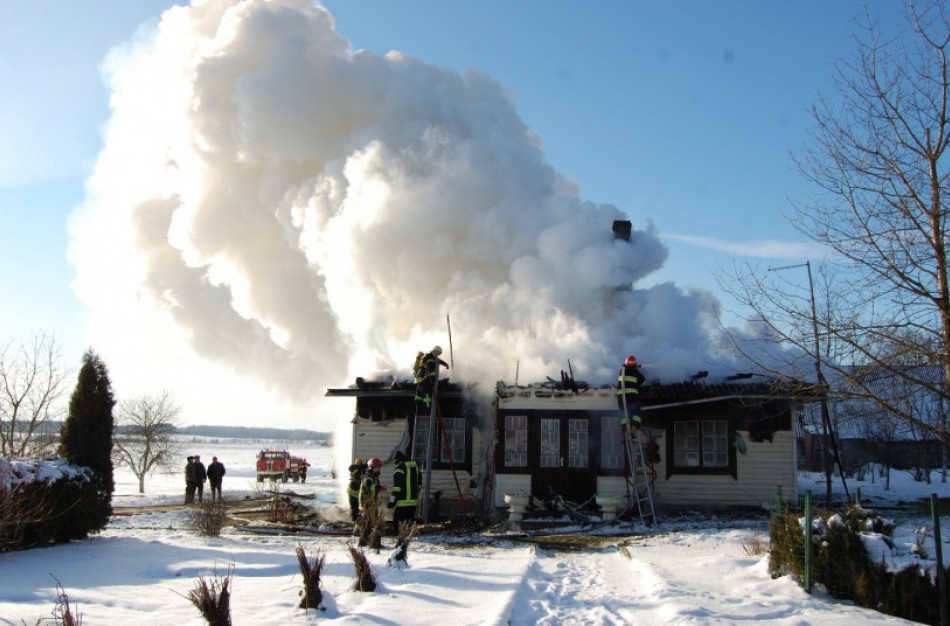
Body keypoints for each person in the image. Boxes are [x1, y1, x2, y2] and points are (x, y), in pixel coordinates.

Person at [414, 345, 449, 416]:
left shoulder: (431, 357)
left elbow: (437, 361)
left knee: (420, 397)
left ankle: (419, 412)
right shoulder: (428, 358)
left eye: (438, 354)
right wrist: (433, 381)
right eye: (437, 353)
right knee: (427, 396)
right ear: (434, 351)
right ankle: (427, 411)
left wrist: (444, 363)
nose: (437, 355)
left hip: (421, 380)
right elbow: (431, 369)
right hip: (423, 379)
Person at [388, 450, 420, 526]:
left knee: (398, 522)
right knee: (409, 523)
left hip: (403, 502)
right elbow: (419, 482)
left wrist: (392, 501)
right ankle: (409, 535)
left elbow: (396, 488)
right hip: (414, 501)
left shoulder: (399, 469)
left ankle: (399, 535)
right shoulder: (415, 466)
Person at [617, 355, 645, 434]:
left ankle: (625, 429)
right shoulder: (635, 372)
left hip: (621, 397)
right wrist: (637, 370)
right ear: (634, 364)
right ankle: (634, 426)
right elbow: (643, 381)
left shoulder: (620, 371)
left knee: (623, 413)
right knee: (636, 411)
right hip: (632, 396)